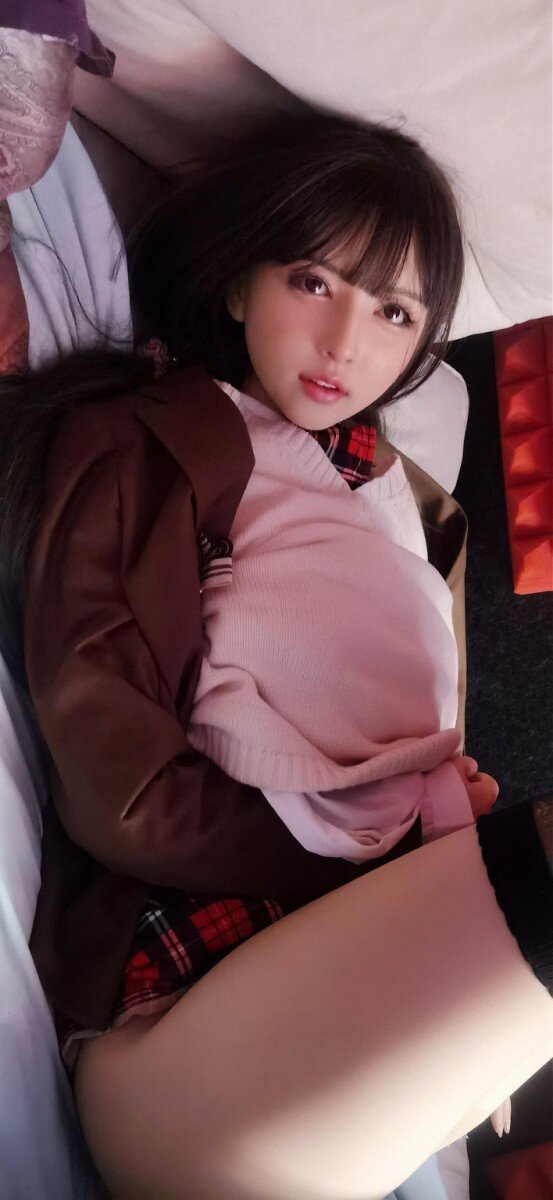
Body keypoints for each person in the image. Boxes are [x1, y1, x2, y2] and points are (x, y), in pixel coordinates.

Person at [0, 109, 550, 1199]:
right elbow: (122, 794)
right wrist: (388, 859)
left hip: (347, 1011)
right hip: (180, 1025)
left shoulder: (396, 501)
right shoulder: (139, 439)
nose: (346, 342)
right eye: (312, 280)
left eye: (393, 311)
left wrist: (434, 831)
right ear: (241, 282)